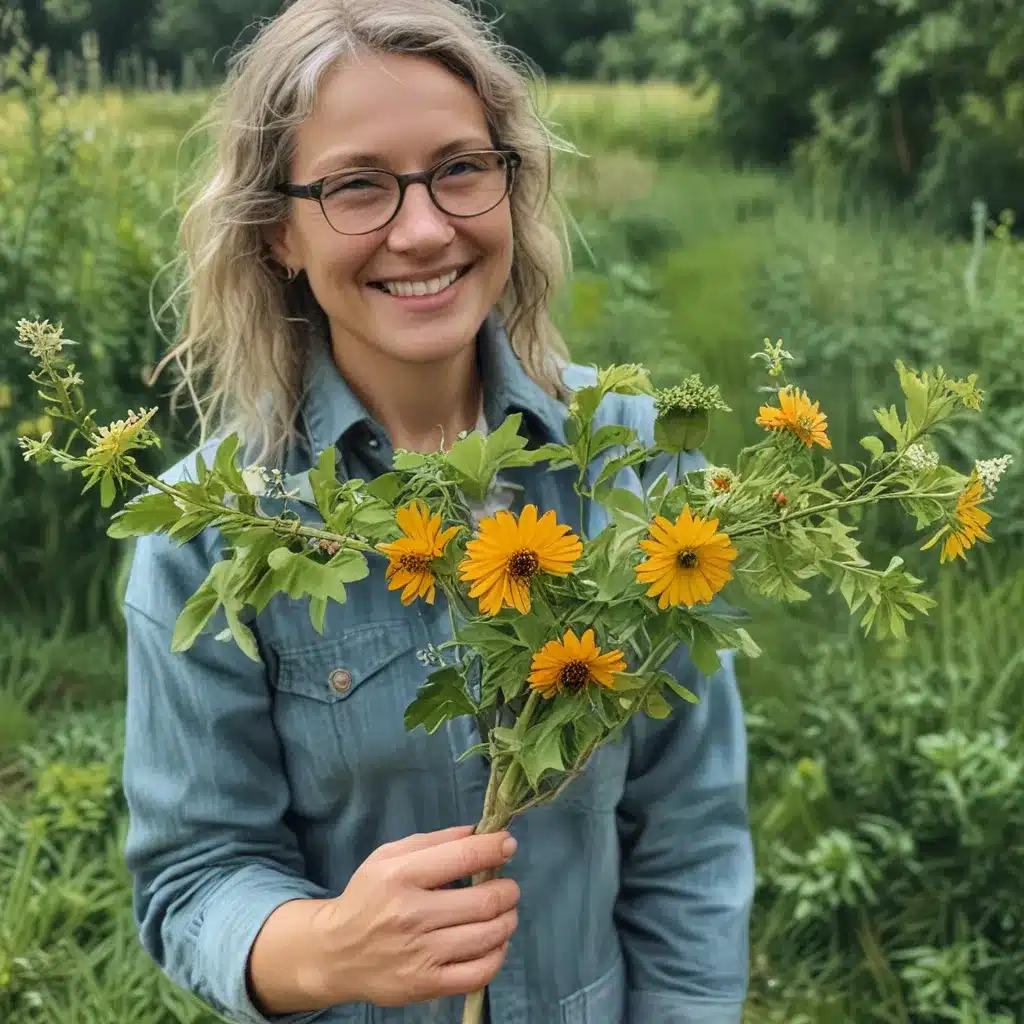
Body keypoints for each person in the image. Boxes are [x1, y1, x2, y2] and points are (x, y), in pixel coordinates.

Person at [121, 1, 755, 1022]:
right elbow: (194, 876)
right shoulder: (212, 530)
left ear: (512, 182)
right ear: (276, 229)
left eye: (460, 167)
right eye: (356, 186)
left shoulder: (631, 460)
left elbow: (690, 830)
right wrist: (328, 949)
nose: (422, 229)